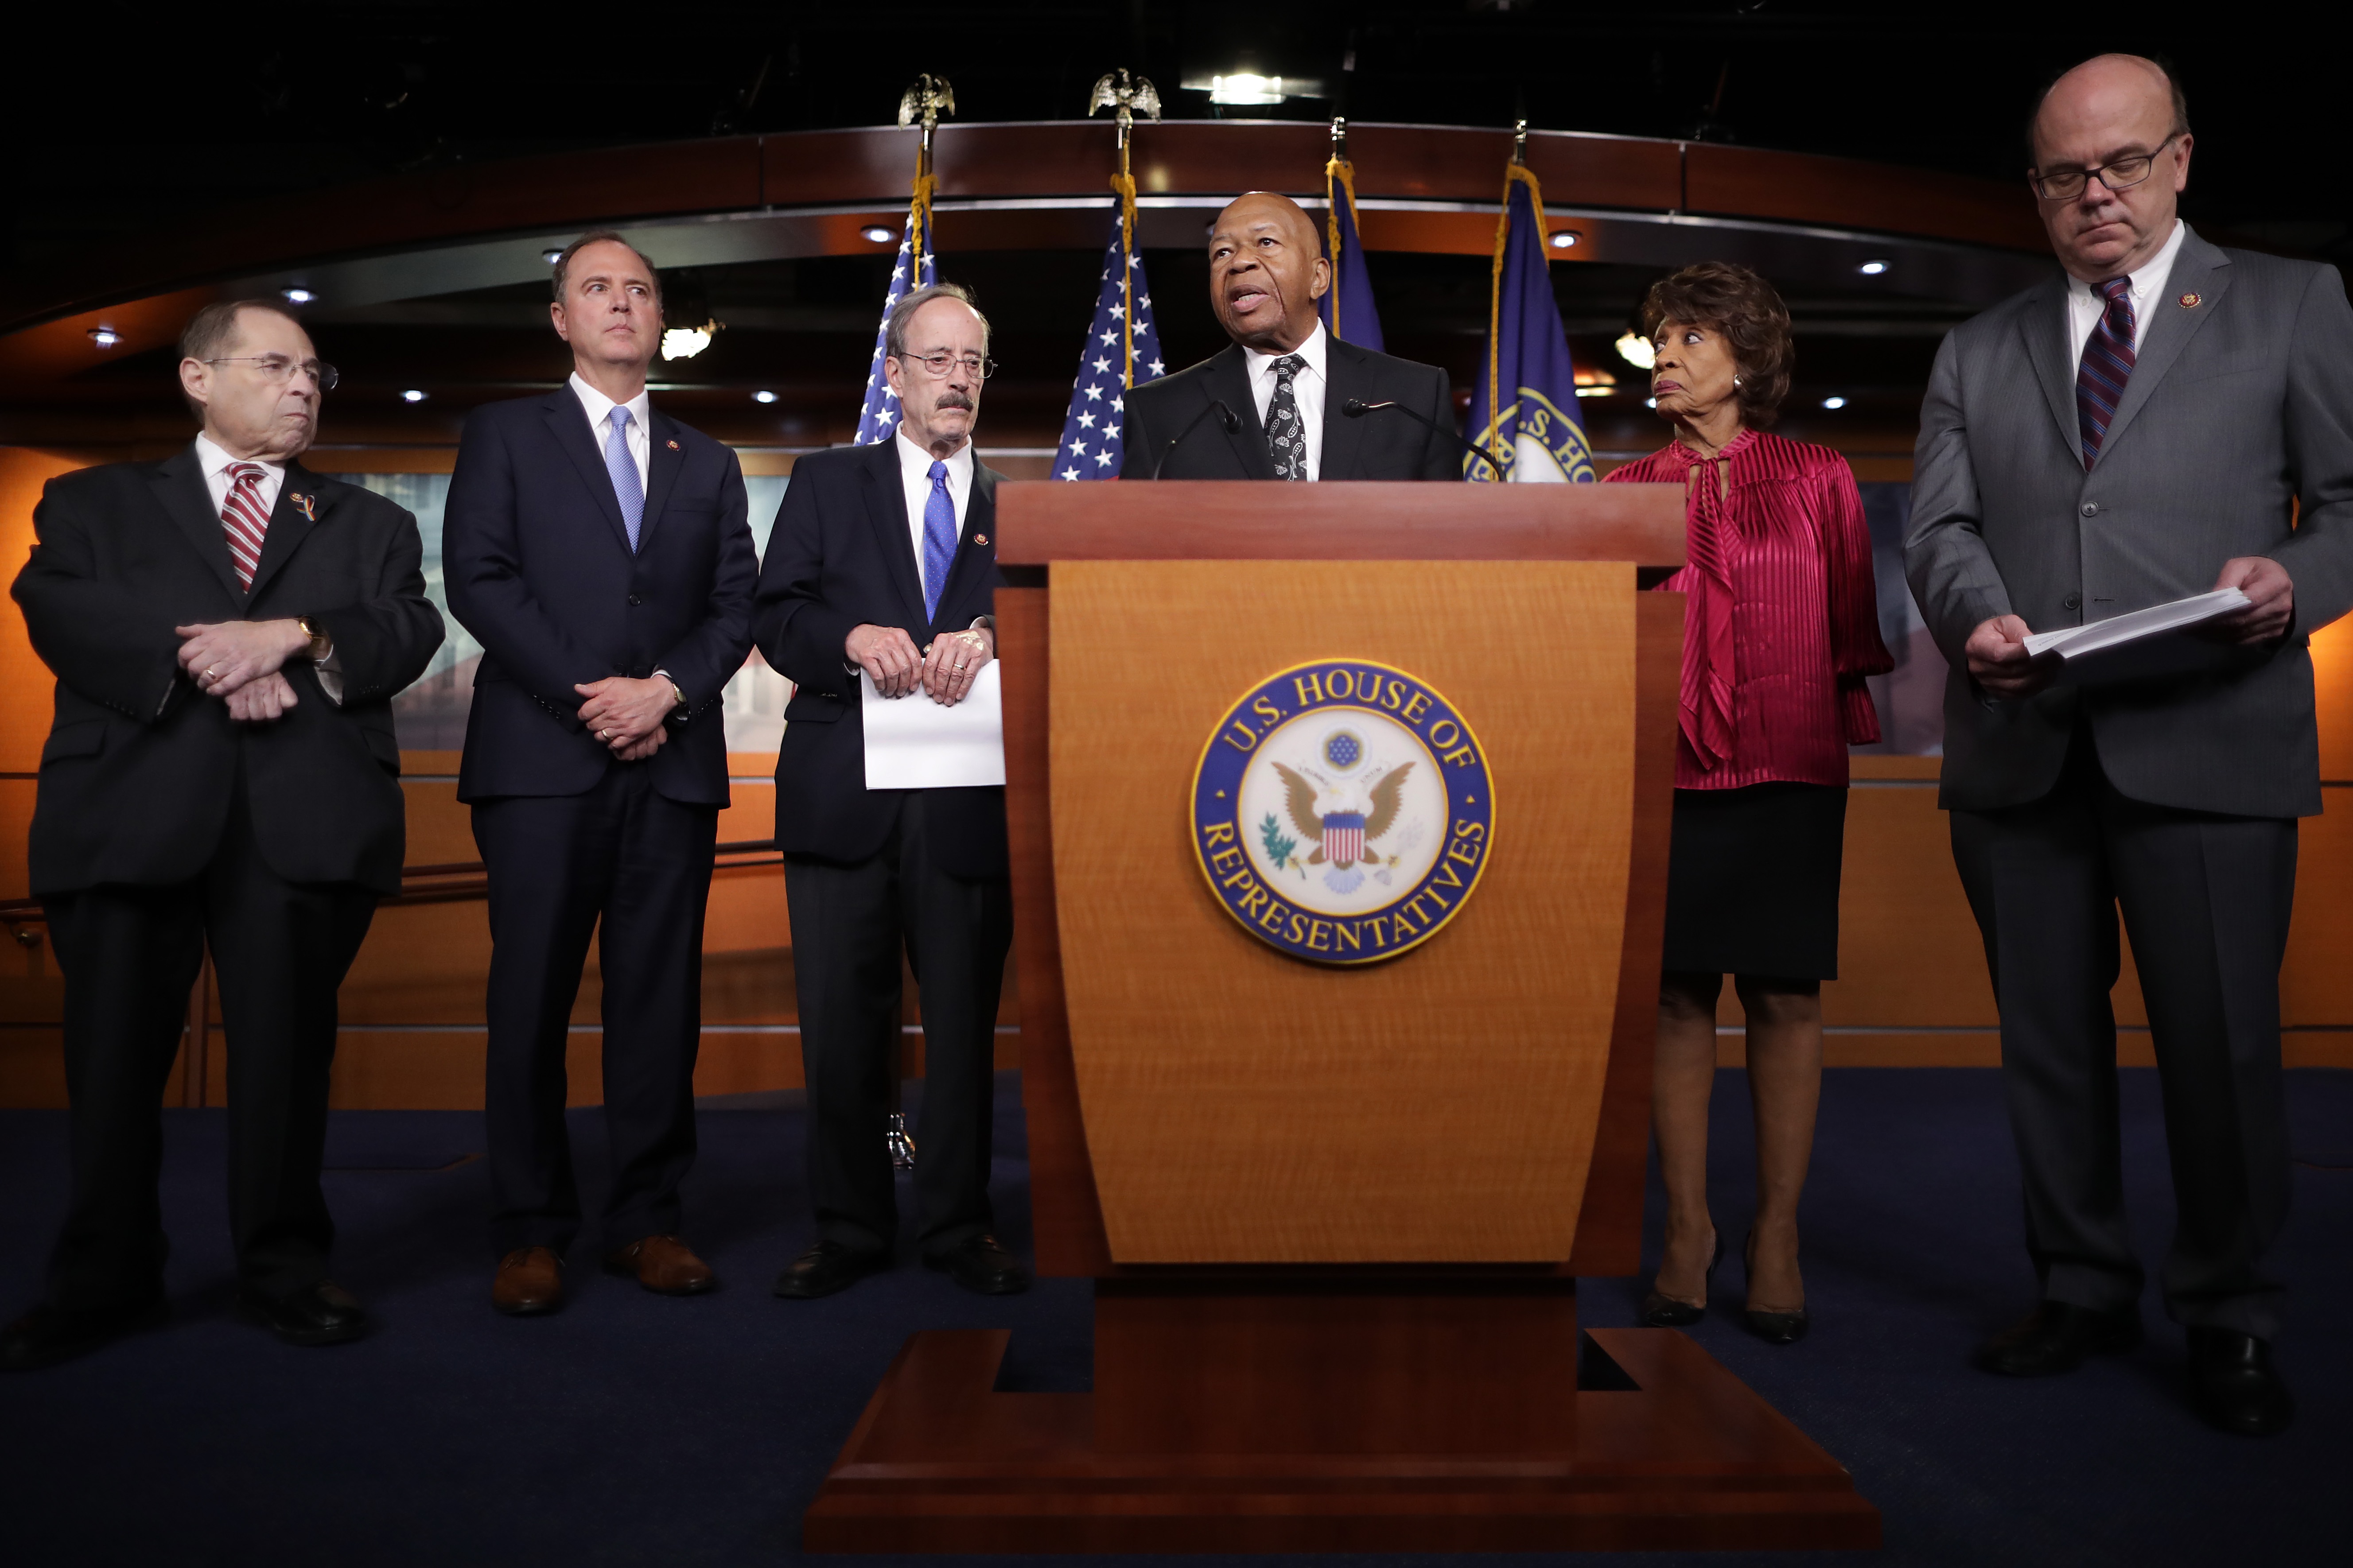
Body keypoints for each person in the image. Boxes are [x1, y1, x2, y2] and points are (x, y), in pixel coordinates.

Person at [1906, 54, 2353, 1436]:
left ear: (2179, 161)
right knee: (2048, 1042)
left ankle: (2227, 1312)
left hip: (2212, 737)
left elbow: (2346, 508)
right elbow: (1939, 531)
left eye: (2118, 165)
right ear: (2036, 192)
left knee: (2219, 1048)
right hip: (2022, 741)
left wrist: (2294, 589)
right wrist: (1978, 619)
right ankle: (2081, 1282)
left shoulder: (2291, 302)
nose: (2092, 194)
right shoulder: (1975, 349)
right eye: (2061, 175)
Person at [0, 300, 443, 1369]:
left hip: (300, 823)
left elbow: (406, 627)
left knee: (288, 1064)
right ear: (198, 379)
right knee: (111, 1066)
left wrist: (289, 634)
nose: (305, 387)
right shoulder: (92, 502)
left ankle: (284, 1270)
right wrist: (216, 659)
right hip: (131, 814)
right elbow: (57, 606)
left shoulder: (368, 519)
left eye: (314, 372)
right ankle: (102, 1275)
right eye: (276, 366)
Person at [443, 231, 757, 1316]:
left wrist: (662, 692)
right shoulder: (503, 435)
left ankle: (647, 1221)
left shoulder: (706, 462)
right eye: (597, 289)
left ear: (659, 317)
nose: (621, 303)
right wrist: (601, 694)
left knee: (658, 1006)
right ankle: (530, 1229)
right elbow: (479, 580)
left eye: (639, 289)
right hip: (541, 763)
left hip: (670, 765)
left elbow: (734, 610)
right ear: (561, 318)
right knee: (527, 1001)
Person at [1606, 261, 1891, 1346]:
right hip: (1663, 774)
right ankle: (1687, 1228)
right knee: (1675, 1000)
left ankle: (1775, 1232)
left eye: (1684, 336)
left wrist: (1834, 748)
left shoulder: (1820, 476)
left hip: (1788, 768)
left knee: (1780, 997)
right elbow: (1602, 650)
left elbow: (1851, 637)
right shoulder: (1621, 491)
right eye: (1655, 338)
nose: (1663, 355)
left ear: (1745, 352)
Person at [754, 283, 1024, 1301]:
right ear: (897, 374)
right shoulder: (826, 483)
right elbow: (775, 614)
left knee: (959, 1027)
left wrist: (995, 635)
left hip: (965, 804)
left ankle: (958, 1222)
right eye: (938, 360)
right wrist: (847, 638)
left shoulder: (1016, 507)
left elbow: (1047, 628)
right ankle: (850, 1225)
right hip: (840, 792)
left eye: (972, 364)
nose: (957, 379)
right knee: (839, 1024)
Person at [1122, 192, 1456, 481]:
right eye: (1222, 252)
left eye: (1266, 243)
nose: (1239, 262)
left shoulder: (1414, 396)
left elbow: (1447, 537)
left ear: (1318, 278)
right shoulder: (1161, 412)